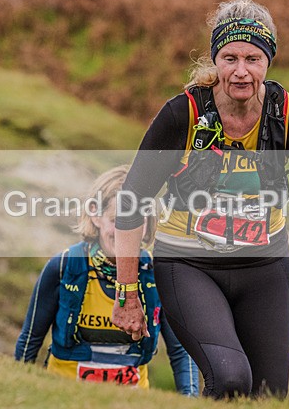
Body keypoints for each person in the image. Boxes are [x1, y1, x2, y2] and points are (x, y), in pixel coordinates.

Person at [113, 0, 289, 399]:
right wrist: (127, 294)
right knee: (231, 377)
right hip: (188, 264)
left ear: (268, 61)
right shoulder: (182, 116)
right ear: (215, 60)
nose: (240, 71)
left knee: (268, 401)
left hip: (264, 266)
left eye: (253, 59)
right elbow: (131, 204)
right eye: (229, 57)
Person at [15, 165, 199, 395]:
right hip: (63, 396)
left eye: (136, 222)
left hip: (133, 401)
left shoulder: (158, 273)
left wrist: (190, 400)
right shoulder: (64, 266)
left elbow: (181, 350)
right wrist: (17, 398)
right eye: (117, 221)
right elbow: (30, 339)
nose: (125, 232)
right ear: (95, 214)